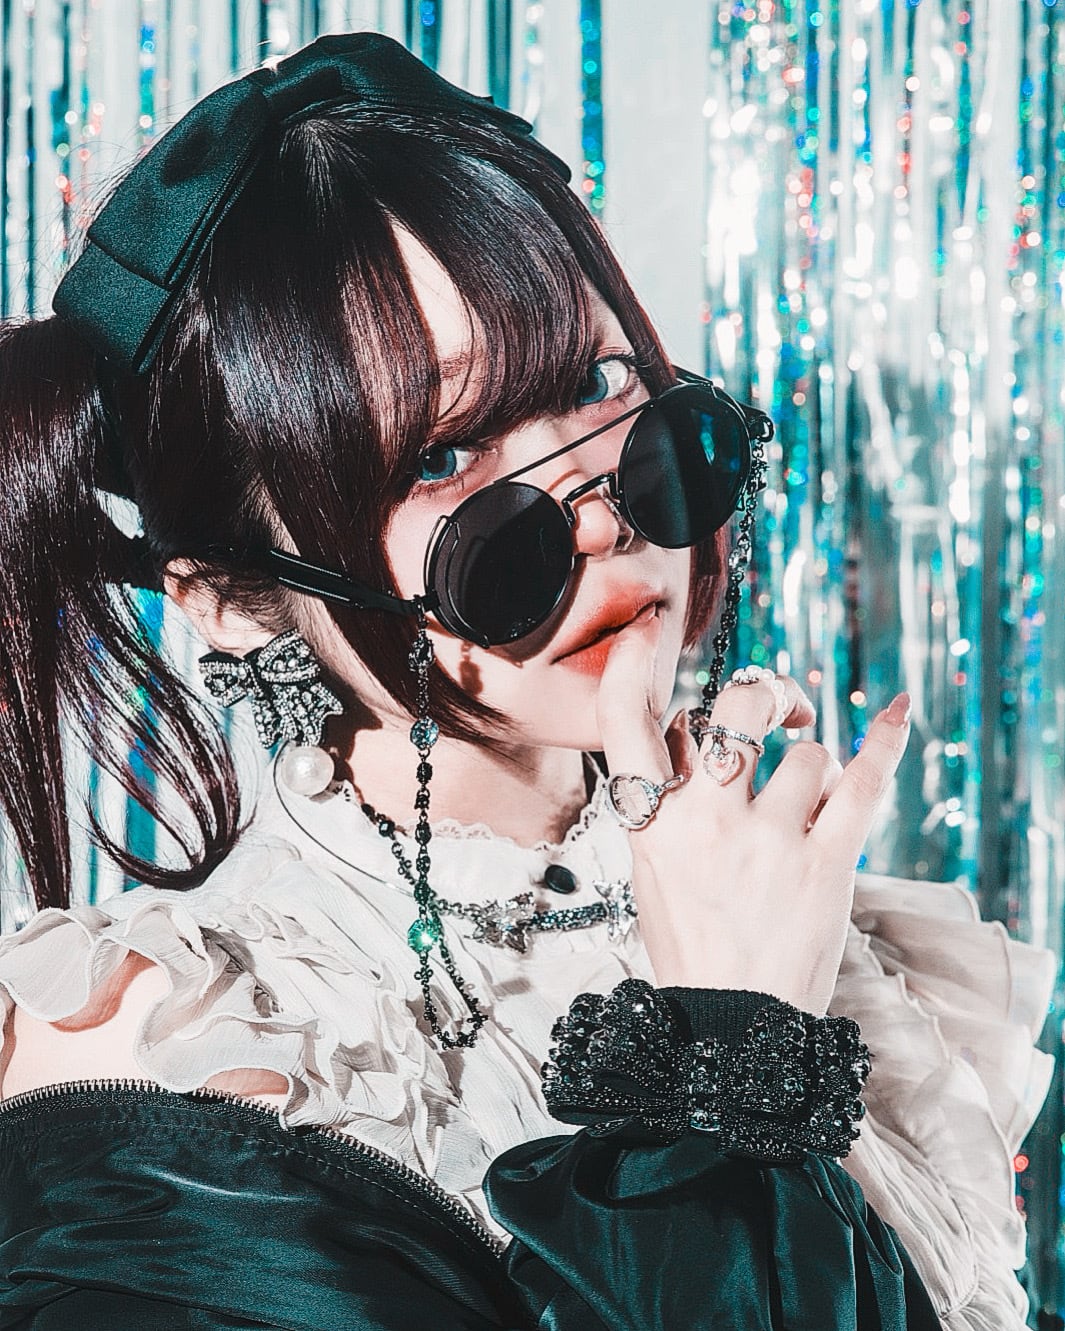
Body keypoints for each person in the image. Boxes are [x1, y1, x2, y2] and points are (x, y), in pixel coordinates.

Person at [0, 32, 1052, 1330]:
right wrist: (722, 1058)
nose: (597, 511)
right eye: (441, 457)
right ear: (228, 594)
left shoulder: (820, 927)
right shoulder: (174, 1077)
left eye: (597, 383)